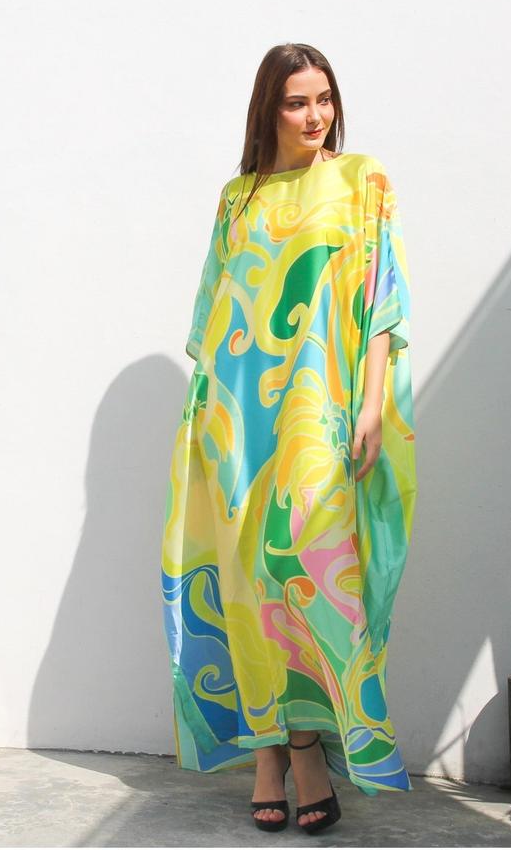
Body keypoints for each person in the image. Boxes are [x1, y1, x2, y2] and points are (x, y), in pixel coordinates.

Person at [160, 42, 417, 835]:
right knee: (245, 584)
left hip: (321, 410)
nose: (315, 116)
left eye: (324, 99)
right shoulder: (238, 198)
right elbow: (214, 310)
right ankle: (270, 753)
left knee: (306, 571)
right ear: (268, 110)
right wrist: (204, 420)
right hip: (236, 417)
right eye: (297, 102)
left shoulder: (361, 179)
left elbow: (381, 300)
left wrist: (370, 404)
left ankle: (306, 746)